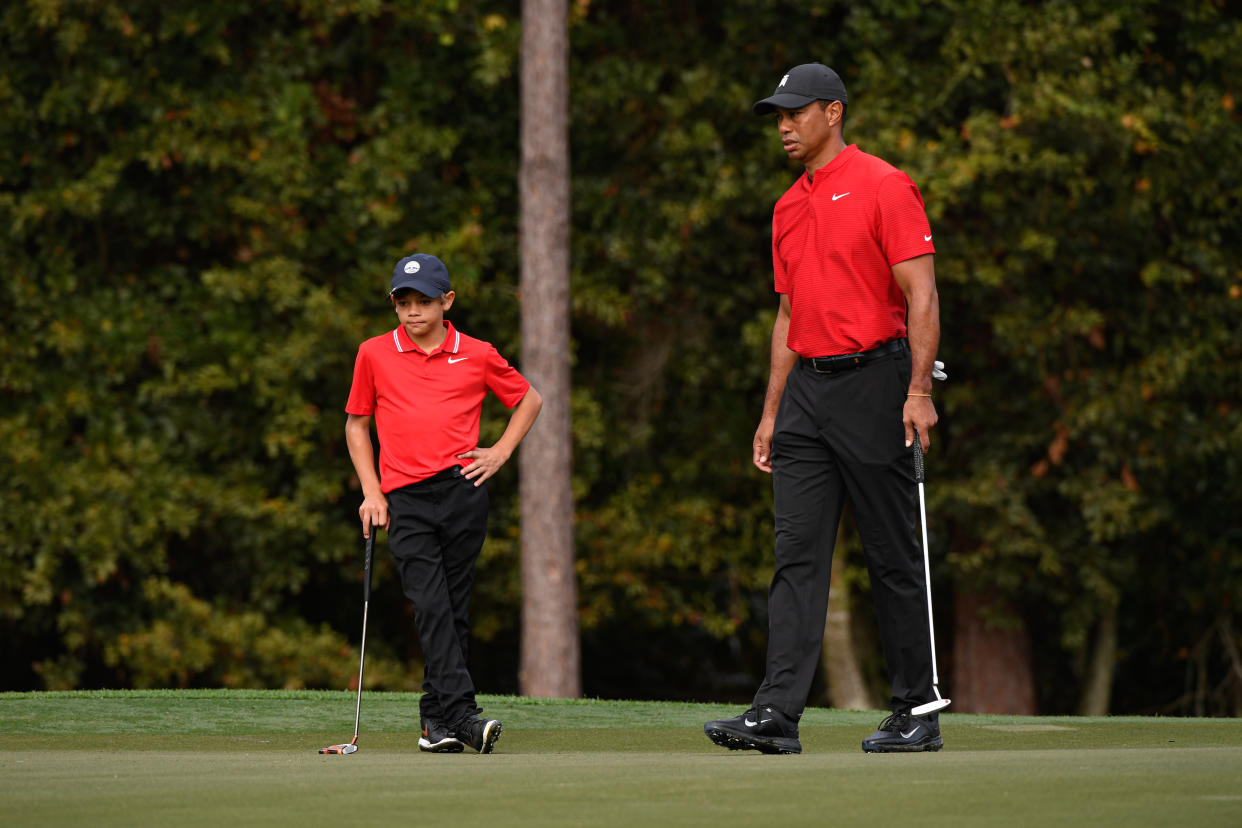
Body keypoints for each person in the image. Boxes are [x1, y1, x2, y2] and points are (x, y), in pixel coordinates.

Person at [704, 62, 944, 754]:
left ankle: (915, 711)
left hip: (877, 380)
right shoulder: (787, 206)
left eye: (795, 113)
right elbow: (788, 313)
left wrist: (919, 389)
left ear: (833, 113)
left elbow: (922, 295)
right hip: (806, 390)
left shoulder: (884, 185)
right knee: (796, 556)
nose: (784, 126)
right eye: (778, 116)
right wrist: (771, 410)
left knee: (892, 552)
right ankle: (777, 713)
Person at [344, 253, 542, 754]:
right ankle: (466, 716)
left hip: (461, 491)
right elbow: (356, 425)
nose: (412, 311)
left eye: (423, 302)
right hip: (404, 498)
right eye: (402, 302)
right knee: (430, 605)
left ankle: (436, 723)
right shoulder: (373, 353)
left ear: (446, 301)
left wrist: (498, 453)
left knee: (452, 610)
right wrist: (371, 491)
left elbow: (529, 400)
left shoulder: (475, 353)